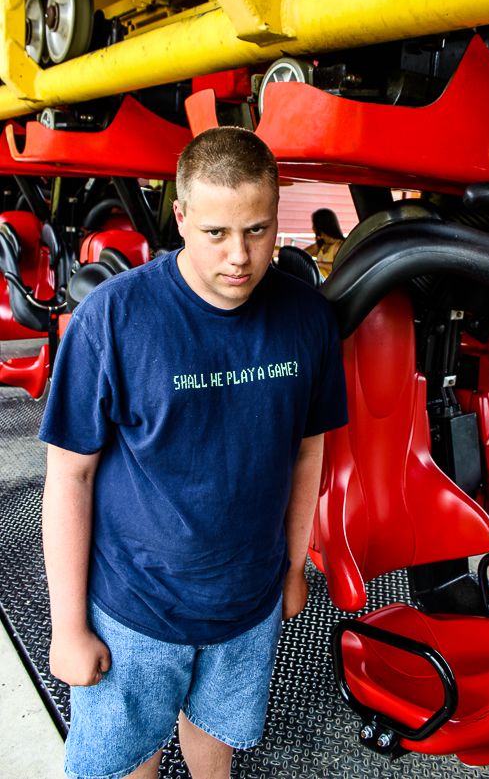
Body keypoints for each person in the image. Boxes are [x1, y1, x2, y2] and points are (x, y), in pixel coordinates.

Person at [40, 126, 348, 779]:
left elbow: (306, 453)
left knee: (218, 741)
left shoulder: (307, 318)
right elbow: (69, 476)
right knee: (131, 758)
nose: (239, 256)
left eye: (259, 230)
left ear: (277, 212)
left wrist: (293, 567)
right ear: (180, 216)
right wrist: (68, 625)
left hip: (249, 599)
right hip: (135, 604)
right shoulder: (114, 318)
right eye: (215, 233)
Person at [304, 208, 345, 278]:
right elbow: (302, 254)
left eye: (314, 224)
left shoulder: (338, 245)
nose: (312, 227)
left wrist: (318, 264)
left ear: (321, 225)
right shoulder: (321, 245)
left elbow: (341, 266)